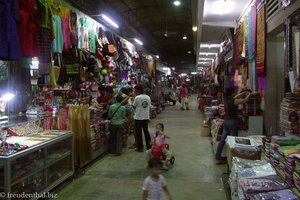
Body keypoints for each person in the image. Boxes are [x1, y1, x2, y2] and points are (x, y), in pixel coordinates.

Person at [215, 87, 252, 164]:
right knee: (233, 143)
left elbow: (236, 97)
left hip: (226, 122)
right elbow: (245, 100)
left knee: (222, 141)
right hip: (233, 123)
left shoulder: (225, 99)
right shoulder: (233, 101)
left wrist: (244, 93)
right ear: (231, 93)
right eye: (234, 92)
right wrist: (250, 95)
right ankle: (233, 161)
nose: (235, 93)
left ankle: (218, 157)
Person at [133, 84, 151, 152]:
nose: (134, 92)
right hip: (146, 117)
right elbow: (148, 106)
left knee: (138, 133)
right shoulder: (148, 97)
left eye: (135, 90)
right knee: (146, 132)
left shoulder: (137, 97)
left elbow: (134, 106)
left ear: (139, 90)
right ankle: (149, 146)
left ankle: (140, 148)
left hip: (138, 118)